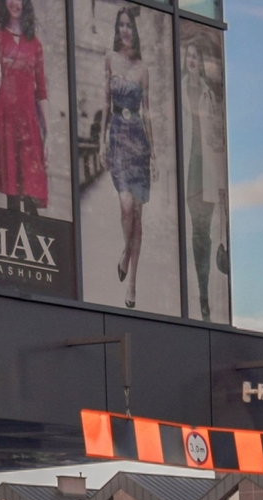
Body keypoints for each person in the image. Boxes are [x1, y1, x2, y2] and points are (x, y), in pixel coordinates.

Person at [98, 5, 151, 304]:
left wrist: (153, 152)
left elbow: (149, 112)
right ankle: (126, 249)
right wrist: (102, 139)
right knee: (126, 206)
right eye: (121, 26)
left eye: (129, 26)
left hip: (138, 140)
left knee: (139, 216)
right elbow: (105, 102)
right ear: (117, 29)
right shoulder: (110, 59)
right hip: (118, 134)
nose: (125, 31)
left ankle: (132, 284)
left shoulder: (143, 68)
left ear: (135, 30)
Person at [0, 0, 47, 222]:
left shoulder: (36, 44)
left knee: (31, 192)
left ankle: (34, 239)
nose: (14, 3)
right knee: (12, 194)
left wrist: (47, 135)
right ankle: (16, 241)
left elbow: (41, 92)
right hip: (5, 119)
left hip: (29, 123)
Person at [180, 31, 225, 320]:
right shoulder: (181, 91)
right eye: (190, 56)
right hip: (188, 173)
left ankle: (204, 292)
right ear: (185, 60)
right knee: (196, 232)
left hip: (206, 173)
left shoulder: (209, 94)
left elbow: (217, 141)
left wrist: (221, 183)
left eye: (197, 57)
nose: (193, 60)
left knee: (204, 234)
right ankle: (200, 290)